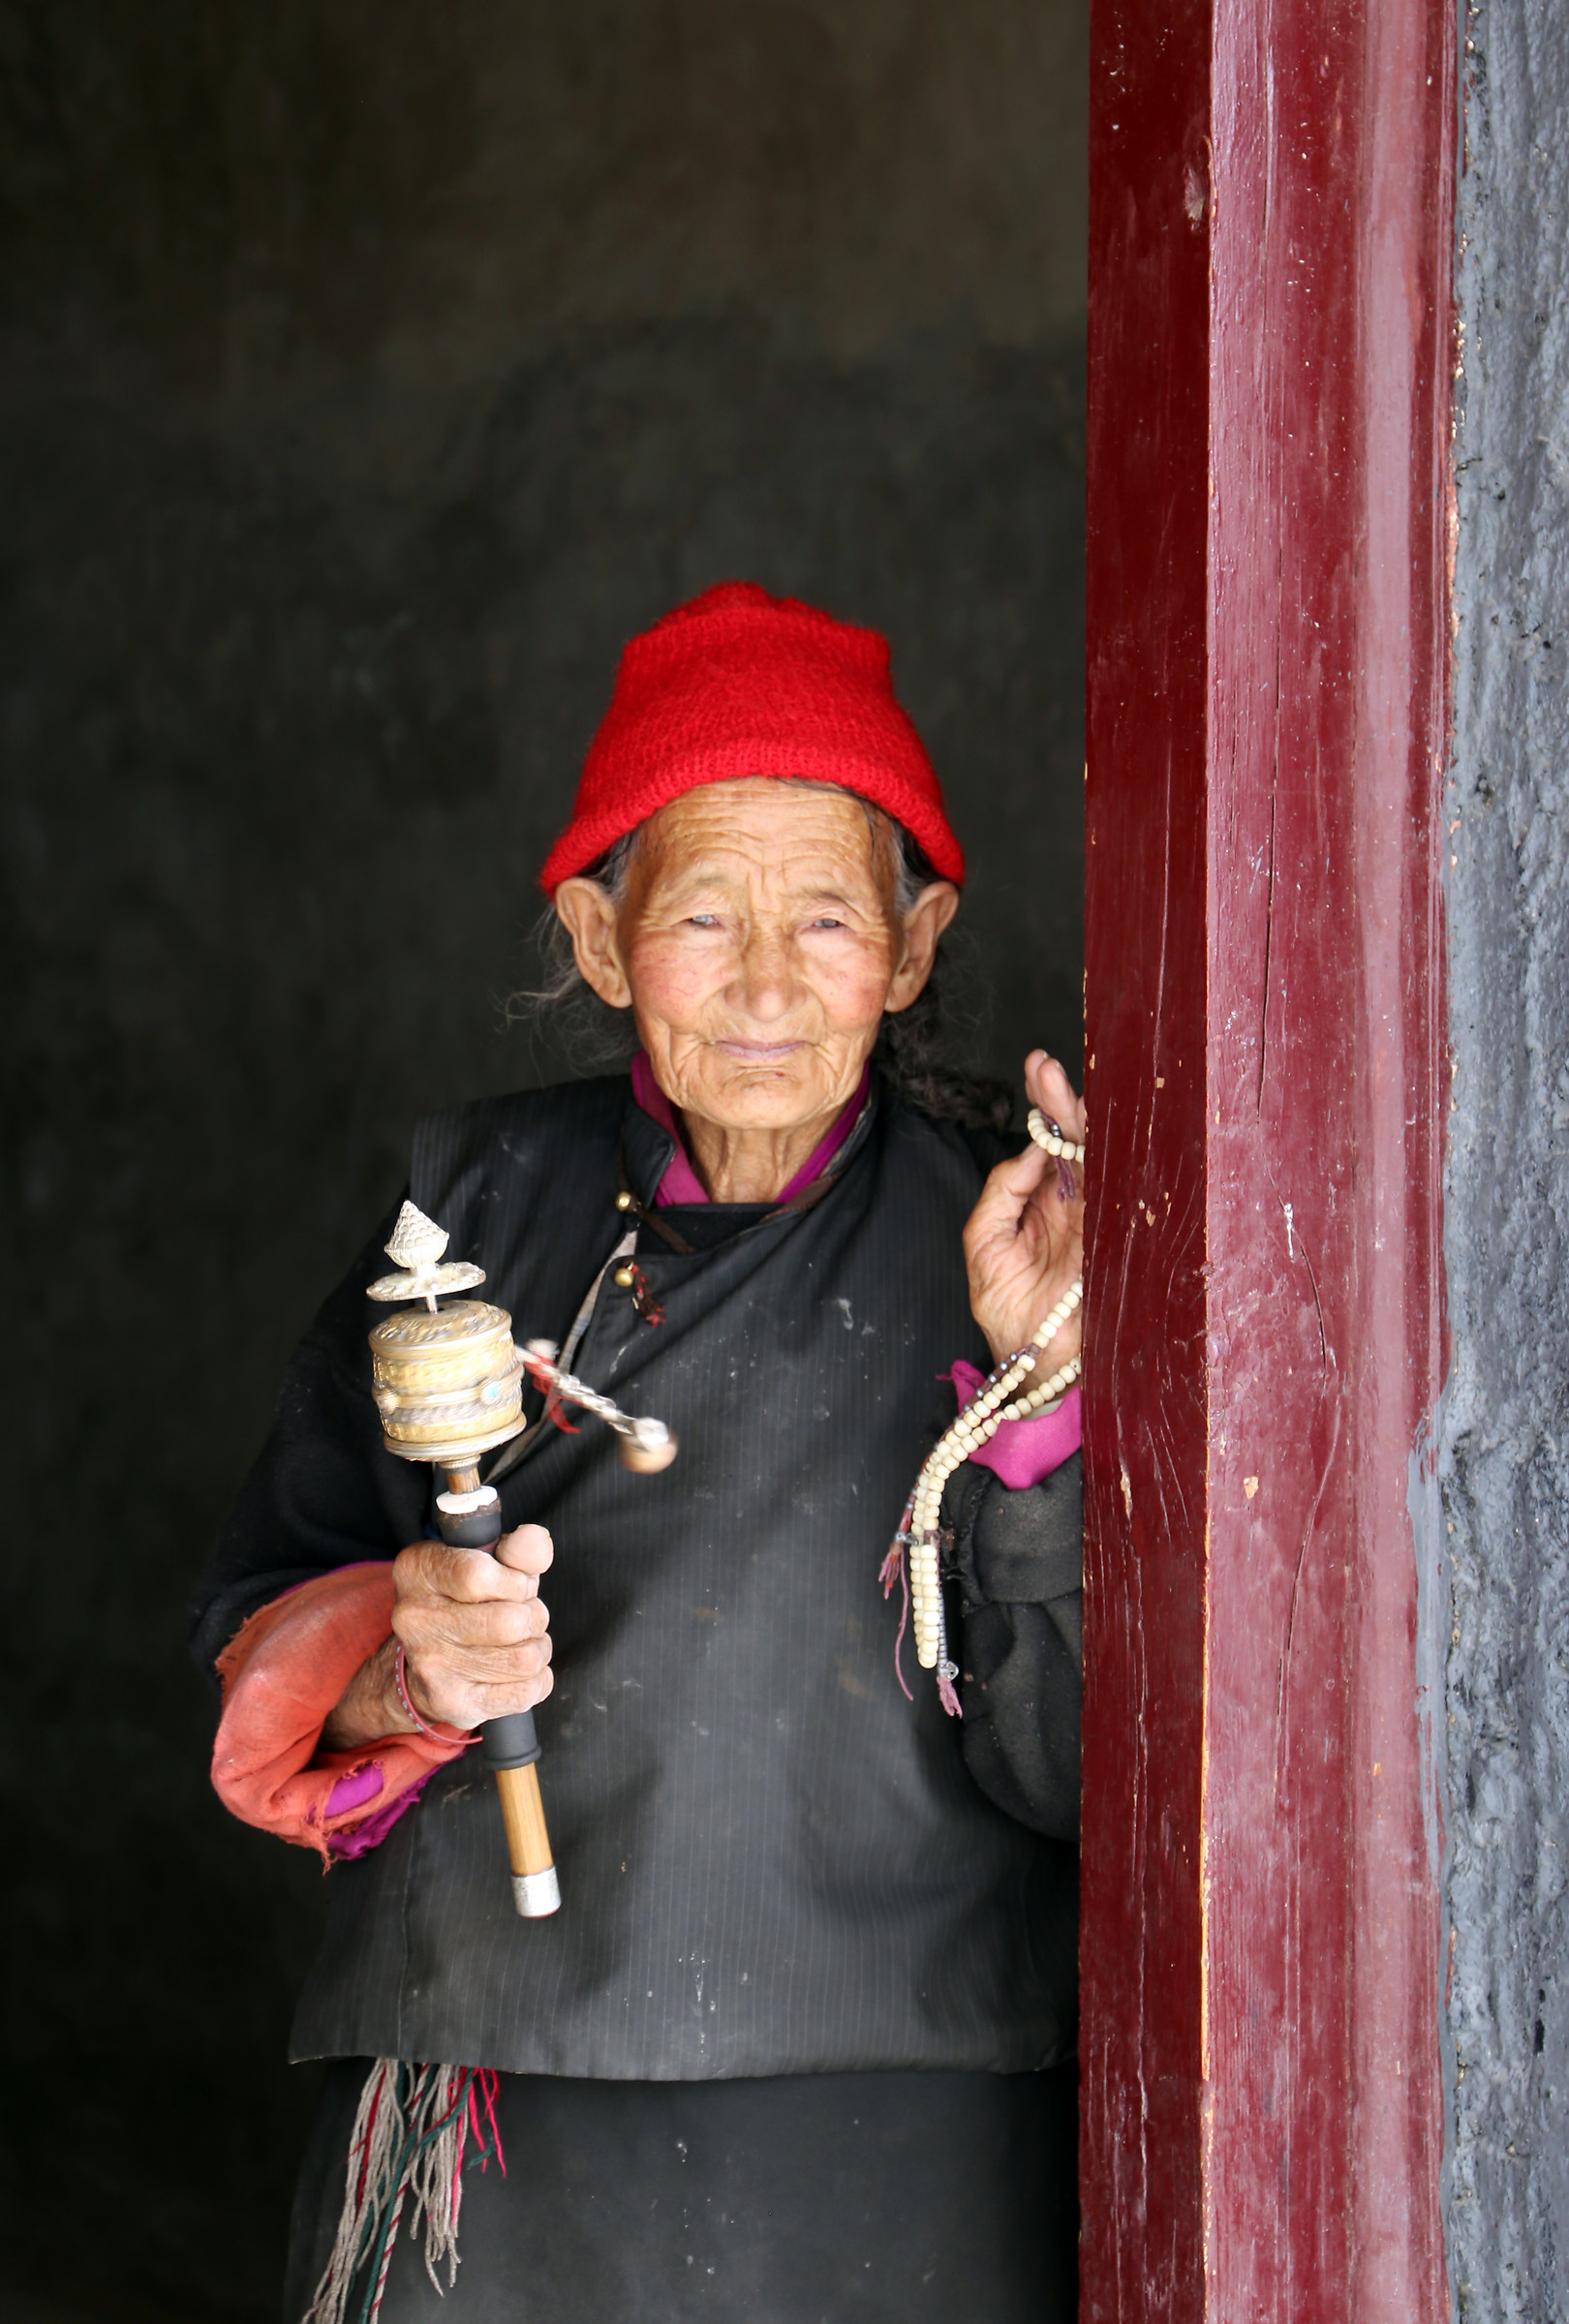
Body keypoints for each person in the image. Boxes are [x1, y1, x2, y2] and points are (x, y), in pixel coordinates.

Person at [189, 582, 1087, 2324]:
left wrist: (1044, 1392)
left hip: (902, 2120)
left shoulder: (1011, 1237)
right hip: (507, 2134)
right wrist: (403, 1668)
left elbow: (1090, 1776)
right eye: (702, 920)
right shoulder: (463, 1212)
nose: (765, 984)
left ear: (913, 951)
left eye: (829, 918)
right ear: (603, 947)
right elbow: (267, 1646)